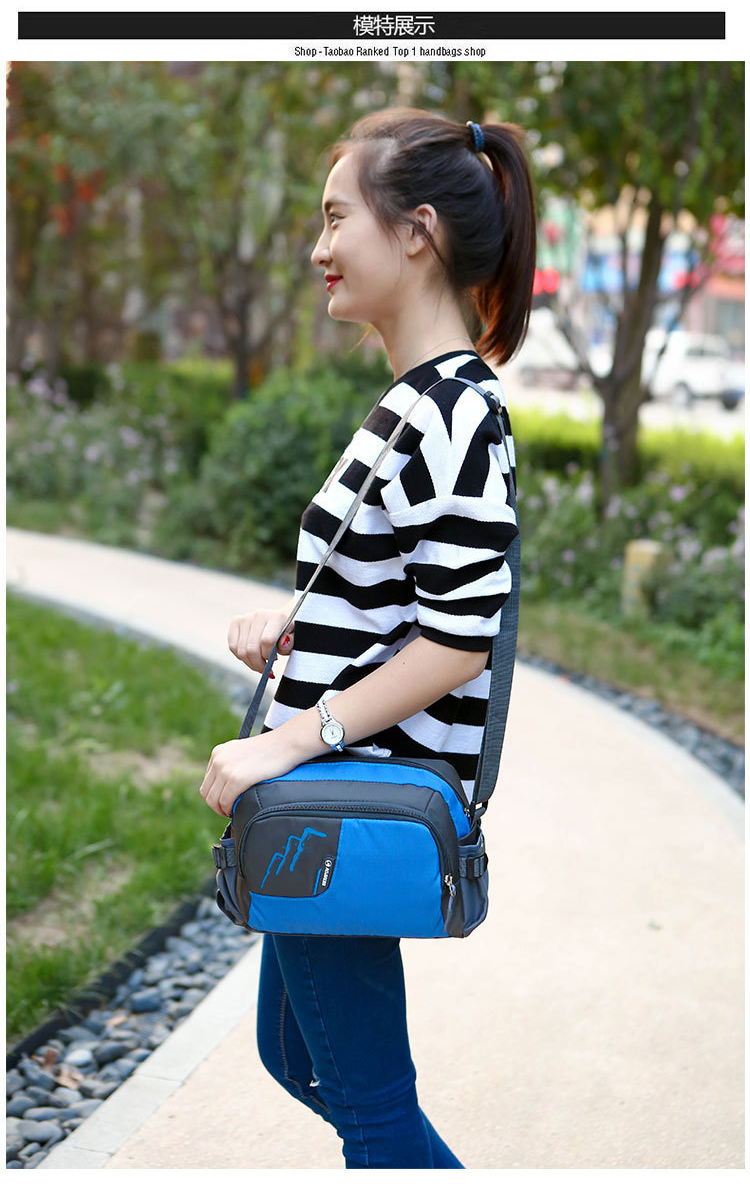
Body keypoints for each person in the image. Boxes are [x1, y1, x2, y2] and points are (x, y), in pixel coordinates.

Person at [199, 106, 536, 1169]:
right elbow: (397, 596)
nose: (319, 247)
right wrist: (299, 629)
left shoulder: (453, 415)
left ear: (418, 231)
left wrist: (290, 741)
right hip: (335, 792)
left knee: (371, 1110)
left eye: (337, 216)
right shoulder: (415, 404)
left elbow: (458, 641)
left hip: (345, 799)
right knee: (297, 1058)